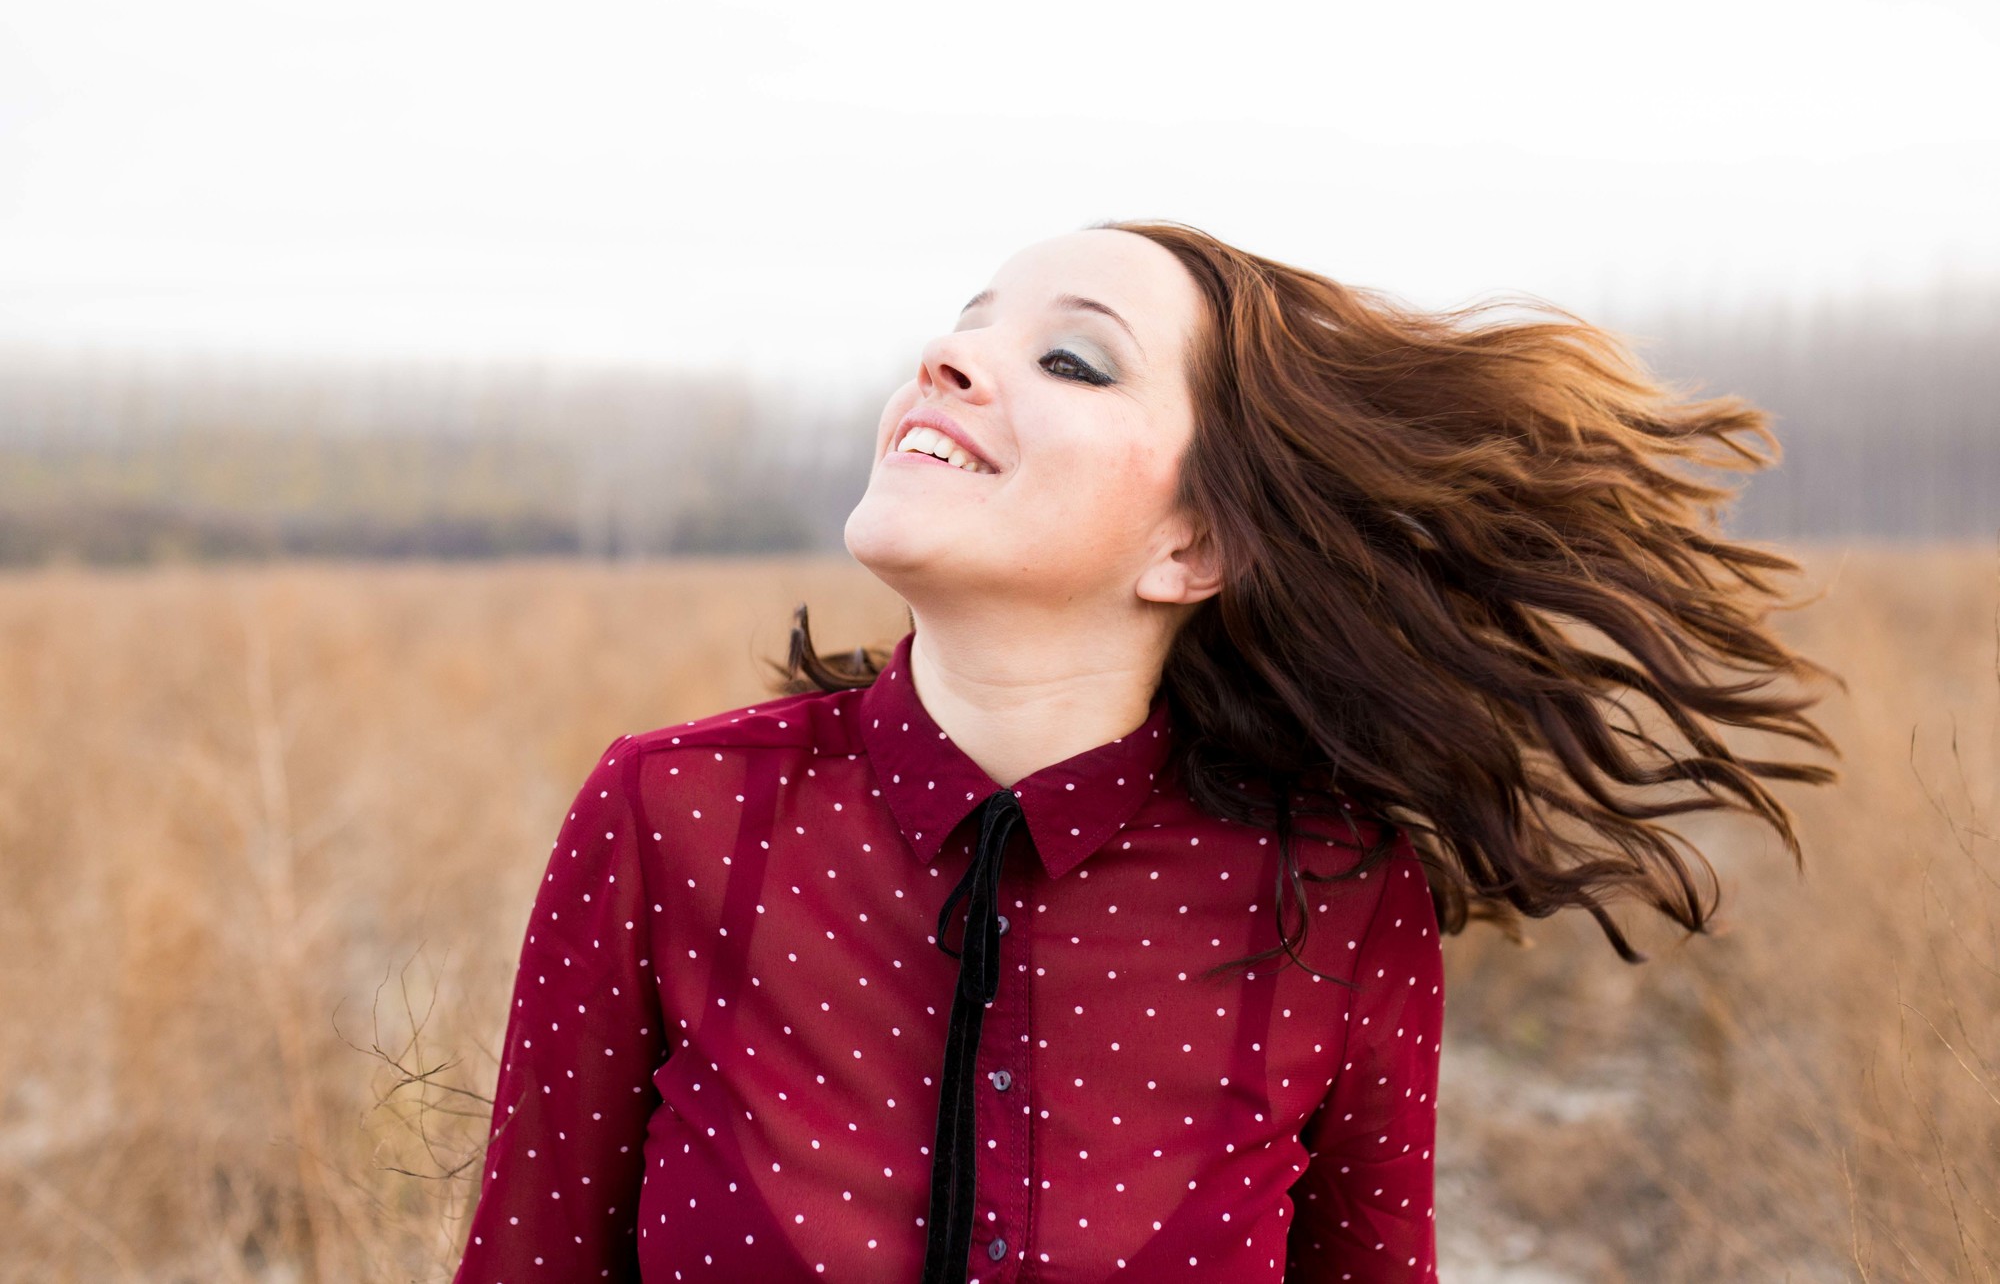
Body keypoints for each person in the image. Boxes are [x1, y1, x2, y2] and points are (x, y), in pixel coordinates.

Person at [448, 222, 1839, 1282]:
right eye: (966, 326)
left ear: (1195, 545)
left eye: (1071, 359)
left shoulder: (1338, 897)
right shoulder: (676, 813)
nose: (946, 360)